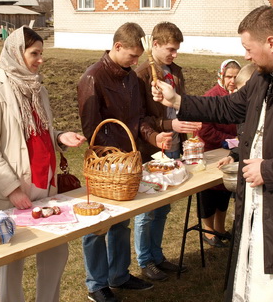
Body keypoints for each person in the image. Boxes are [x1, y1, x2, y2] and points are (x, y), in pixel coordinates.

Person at [152, 6, 273, 302]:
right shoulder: (263, 78)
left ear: (271, 43)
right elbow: (227, 107)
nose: (245, 56)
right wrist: (178, 99)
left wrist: (269, 170)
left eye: (248, 48)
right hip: (261, 208)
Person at [0, 26, 86, 302]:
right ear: (16, 53)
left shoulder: (38, 89)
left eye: (41, 54)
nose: (40, 59)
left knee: (56, 252)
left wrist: (60, 137)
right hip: (12, 194)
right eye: (34, 53)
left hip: (44, 188)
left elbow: (39, 133)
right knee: (13, 262)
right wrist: (12, 189)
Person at [77, 22, 173, 302]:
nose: (136, 62)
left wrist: (154, 138)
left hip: (129, 163)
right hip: (105, 167)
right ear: (117, 47)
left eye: (138, 57)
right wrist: (114, 158)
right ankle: (97, 284)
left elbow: (139, 118)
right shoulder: (92, 78)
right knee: (97, 225)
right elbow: (91, 128)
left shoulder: (130, 78)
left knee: (122, 221)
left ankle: (119, 274)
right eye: (132, 56)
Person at [135, 22, 201, 280]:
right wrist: (166, 125)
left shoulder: (175, 71)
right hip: (152, 149)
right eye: (170, 49)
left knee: (163, 207)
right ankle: (144, 260)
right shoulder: (142, 74)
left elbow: (178, 105)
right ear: (155, 45)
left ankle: (157, 256)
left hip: (173, 147)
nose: (174, 55)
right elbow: (140, 118)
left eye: (177, 50)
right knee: (148, 208)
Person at [195, 59, 241, 248]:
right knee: (209, 195)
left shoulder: (238, 96)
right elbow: (204, 130)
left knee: (224, 192)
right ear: (221, 75)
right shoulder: (212, 97)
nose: (232, 80)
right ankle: (209, 231)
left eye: (235, 77)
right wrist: (228, 139)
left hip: (231, 153)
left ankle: (220, 229)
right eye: (229, 76)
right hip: (212, 152)